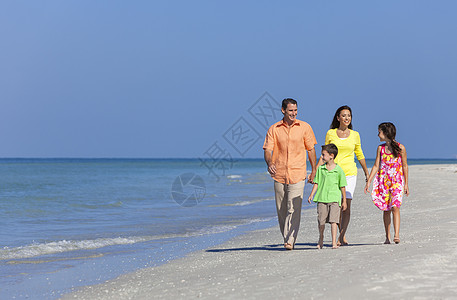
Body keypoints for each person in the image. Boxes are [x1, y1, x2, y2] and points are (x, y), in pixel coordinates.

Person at [263, 98, 317, 250]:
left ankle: (290, 240)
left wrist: (313, 170)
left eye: (295, 110)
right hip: (279, 174)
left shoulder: (305, 127)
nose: (293, 113)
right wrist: (270, 163)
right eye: (290, 110)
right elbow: (268, 150)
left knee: (294, 208)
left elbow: (311, 149)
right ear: (283, 110)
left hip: (298, 173)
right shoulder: (274, 129)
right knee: (281, 210)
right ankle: (286, 236)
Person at [318, 105, 369, 246]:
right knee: (337, 205)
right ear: (338, 117)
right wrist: (317, 171)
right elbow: (324, 154)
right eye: (344, 115)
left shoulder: (355, 135)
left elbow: (359, 154)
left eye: (349, 116)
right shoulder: (331, 133)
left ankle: (342, 235)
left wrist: (366, 172)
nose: (347, 118)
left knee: (346, 204)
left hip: (350, 173)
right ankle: (339, 234)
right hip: (333, 173)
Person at [364, 122, 409, 244]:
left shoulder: (401, 148)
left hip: (397, 182)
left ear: (385, 133)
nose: (378, 134)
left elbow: (405, 166)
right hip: (383, 183)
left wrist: (406, 184)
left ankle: (397, 235)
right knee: (386, 209)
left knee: (395, 207)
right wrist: (369, 181)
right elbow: (376, 166)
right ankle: (387, 236)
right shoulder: (381, 148)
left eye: (379, 132)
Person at [308, 144, 347, 249]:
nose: (321, 157)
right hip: (322, 198)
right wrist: (311, 194)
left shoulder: (338, 170)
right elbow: (316, 183)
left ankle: (334, 241)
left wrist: (344, 201)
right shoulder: (321, 169)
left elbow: (342, 186)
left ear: (331, 156)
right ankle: (321, 239)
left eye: (323, 155)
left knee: (334, 221)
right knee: (321, 221)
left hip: (335, 199)